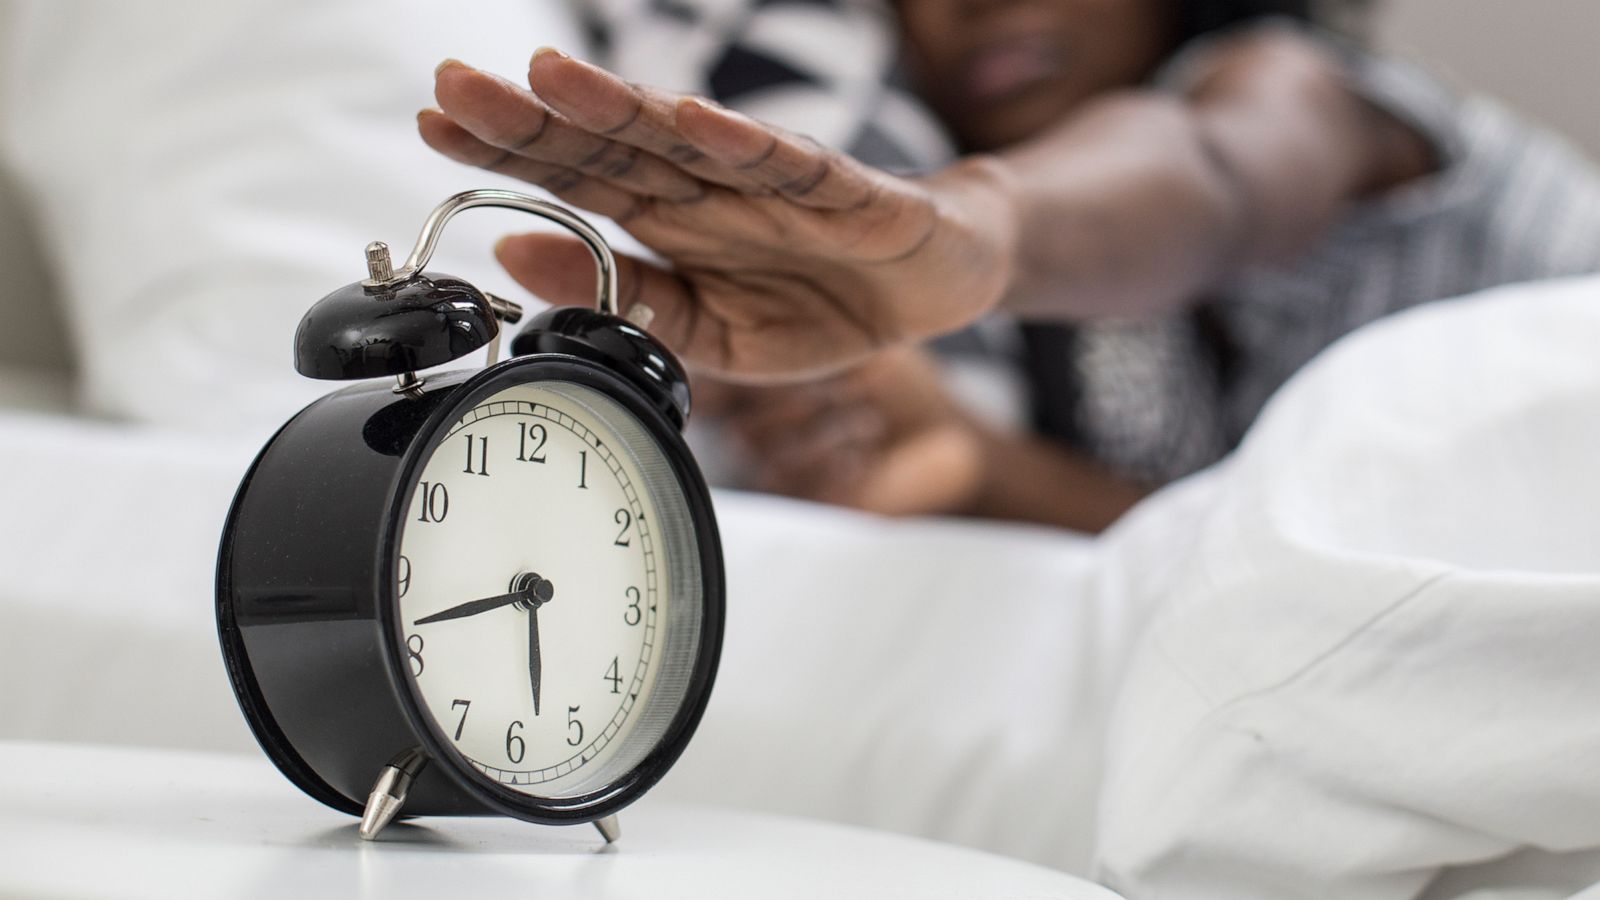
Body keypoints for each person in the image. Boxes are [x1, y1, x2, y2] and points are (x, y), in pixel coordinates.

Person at [416, 0, 1600, 532]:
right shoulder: (1078, 354)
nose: (967, 6)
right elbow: (1245, 548)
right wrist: (978, 466)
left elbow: (1217, 172)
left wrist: (981, 231)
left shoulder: (1292, 89)